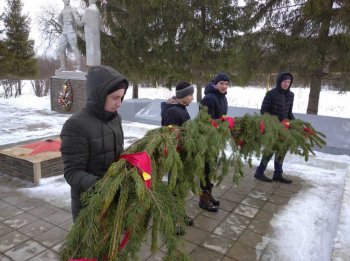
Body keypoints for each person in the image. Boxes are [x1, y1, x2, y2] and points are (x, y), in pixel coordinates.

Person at [60, 65, 128, 221]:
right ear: (99, 94)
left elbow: (115, 154)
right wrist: (103, 188)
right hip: (89, 207)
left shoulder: (115, 118)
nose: (119, 104)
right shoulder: (76, 125)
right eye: (115, 98)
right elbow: (72, 173)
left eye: (121, 97)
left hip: (113, 200)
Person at [160, 81, 195, 234]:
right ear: (182, 96)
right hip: (176, 157)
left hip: (183, 156)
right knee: (174, 188)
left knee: (181, 188)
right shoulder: (173, 112)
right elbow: (169, 137)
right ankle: (172, 220)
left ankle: (179, 213)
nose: (192, 98)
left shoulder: (182, 108)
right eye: (190, 95)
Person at [254, 72, 295, 184]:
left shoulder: (291, 95)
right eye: (285, 81)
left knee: (282, 150)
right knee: (270, 150)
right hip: (272, 128)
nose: (287, 84)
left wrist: (296, 124)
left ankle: (277, 174)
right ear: (279, 81)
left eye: (289, 82)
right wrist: (273, 123)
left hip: (284, 129)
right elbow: (263, 111)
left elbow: (289, 113)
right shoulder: (271, 94)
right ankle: (259, 172)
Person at [200, 72, 230, 212]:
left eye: (226, 84)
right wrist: (220, 122)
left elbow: (221, 116)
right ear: (215, 83)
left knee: (211, 167)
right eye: (221, 83)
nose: (224, 86)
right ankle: (203, 200)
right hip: (207, 139)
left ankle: (208, 194)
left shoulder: (223, 98)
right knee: (206, 168)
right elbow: (204, 120)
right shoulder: (209, 98)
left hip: (216, 138)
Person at [57, 0, 82, 71]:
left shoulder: (72, 9)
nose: (68, 0)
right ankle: (63, 67)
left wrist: (81, 23)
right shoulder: (62, 10)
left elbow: (77, 19)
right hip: (64, 32)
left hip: (71, 31)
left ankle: (79, 67)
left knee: (74, 48)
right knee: (60, 49)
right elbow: (59, 20)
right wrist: (62, 25)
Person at [81, 0, 101, 66]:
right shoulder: (97, 10)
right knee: (97, 48)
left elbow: (81, 23)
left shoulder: (88, 10)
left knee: (90, 48)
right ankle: (97, 64)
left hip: (89, 32)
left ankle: (91, 66)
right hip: (96, 33)